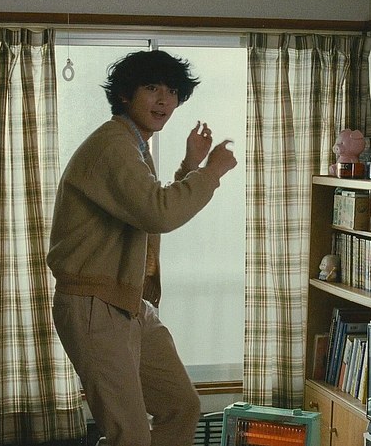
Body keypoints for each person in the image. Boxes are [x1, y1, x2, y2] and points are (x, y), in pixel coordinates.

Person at [46, 50, 237, 446]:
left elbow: (148, 206)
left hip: (128, 303)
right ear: (124, 94)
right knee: (129, 434)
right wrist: (211, 172)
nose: (164, 100)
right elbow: (157, 213)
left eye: (172, 91)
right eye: (152, 88)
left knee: (181, 407)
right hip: (93, 304)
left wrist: (190, 167)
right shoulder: (112, 144)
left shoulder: (133, 144)